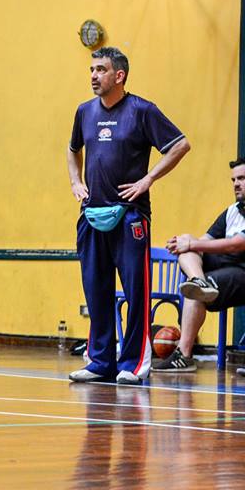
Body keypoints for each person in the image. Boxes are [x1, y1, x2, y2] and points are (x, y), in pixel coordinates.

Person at [66, 46, 190, 384]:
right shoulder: (84, 112)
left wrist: (148, 179)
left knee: (136, 292)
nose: (94, 76)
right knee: (96, 290)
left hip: (130, 216)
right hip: (92, 215)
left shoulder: (142, 111)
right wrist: (76, 181)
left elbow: (180, 145)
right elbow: (73, 149)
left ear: (119, 75)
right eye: (92, 70)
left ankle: (134, 364)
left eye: (101, 70)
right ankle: (99, 362)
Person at [152, 158, 245, 373]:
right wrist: (184, 243)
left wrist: (192, 243)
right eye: (233, 180)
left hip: (242, 271)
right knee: (188, 250)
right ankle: (199, 281)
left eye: (241, 178)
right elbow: (204, 241)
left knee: (191, 247)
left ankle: (184, 354)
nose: (236, 184)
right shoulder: (232, 211)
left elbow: (238, 244)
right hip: (226, 269)